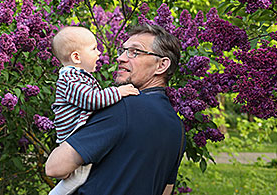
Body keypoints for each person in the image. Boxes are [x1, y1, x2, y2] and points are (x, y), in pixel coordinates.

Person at [46, 24, 185, 195]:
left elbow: (55, 168)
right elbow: (166, 190)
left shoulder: (124, 107)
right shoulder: (177, 127)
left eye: (135, 52)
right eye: (123, 50)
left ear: (161, 65)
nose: (120, 58)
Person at [49, 26, 139, 195]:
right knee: (79, 177)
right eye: (93, 49)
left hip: (76, 133)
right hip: (73, 136)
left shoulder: (77, 76)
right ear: (76, 57)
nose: (99, 53)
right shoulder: (70, 78)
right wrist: (118, 92)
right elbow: (92, 100)